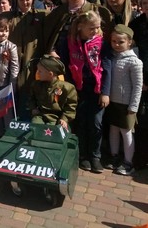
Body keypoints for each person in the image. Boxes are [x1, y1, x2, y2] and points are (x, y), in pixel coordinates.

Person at [67, 10, 111, 173]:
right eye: (92, 28)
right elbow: (66, 65)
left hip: (96, 90)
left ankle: (95, 156)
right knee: (81, 121)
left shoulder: (101, 44)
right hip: (78, 89)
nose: (96, 31)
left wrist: (105, 92)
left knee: (96, 123)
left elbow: (107, 68)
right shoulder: (70, 42)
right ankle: (83, 155)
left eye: (98, 27)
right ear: (80, 27)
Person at [0, 0, 46, 120]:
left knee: (27, 98)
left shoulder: (41, 17)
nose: (25, 2)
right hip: (10, 63)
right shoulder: (7, 17)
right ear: (16, 0)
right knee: (10, 98)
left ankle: (24, 127)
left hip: (30, 66)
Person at [43, 0, 112, 58]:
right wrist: (52, 51)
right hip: (61, 61)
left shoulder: (97, 11)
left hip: (88, 61)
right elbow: (49, 37)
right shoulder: (58, 12)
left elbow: (106, 39)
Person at [105, 25, 143, 176]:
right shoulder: (112, 57)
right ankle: (114, 156)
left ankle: (128, 162)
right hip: (113, 101)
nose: (116, 44)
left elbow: (138, 86)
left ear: (129, 42)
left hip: (126, 104)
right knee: (113, 129)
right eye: (114, 41)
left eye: (120, 42)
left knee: (126, 132)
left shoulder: (135, 62)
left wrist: (133, 106)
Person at [28, 55, 77, 130]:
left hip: (57, 117)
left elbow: (71, 107)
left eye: (40, 71)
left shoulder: (67, 88)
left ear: (50, 74)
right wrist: (33, 108)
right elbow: (31, 98)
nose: (37, 73)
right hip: (40, 115)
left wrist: (64, 118)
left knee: (55, 132)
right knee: (35, 127)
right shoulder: (36, 85)